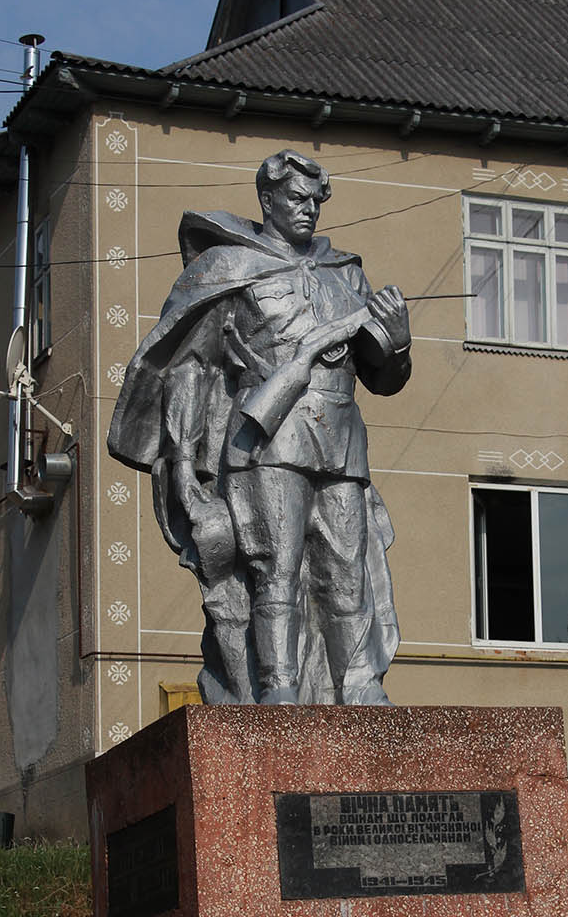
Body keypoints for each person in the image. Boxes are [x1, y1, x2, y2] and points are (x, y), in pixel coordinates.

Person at [107, 149, 411, 705]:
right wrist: (183, 465)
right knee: (275, 570)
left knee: (348, 570)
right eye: (296, 198)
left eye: (315, 201)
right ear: (266, 201)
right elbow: (189, 369)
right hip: (266, 438)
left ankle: (361, 690)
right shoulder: (230, 268)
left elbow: (384, 378)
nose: (308, 210)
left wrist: (398, 339)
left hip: (342, 439)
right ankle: (279, 690)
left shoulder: (346, 275)